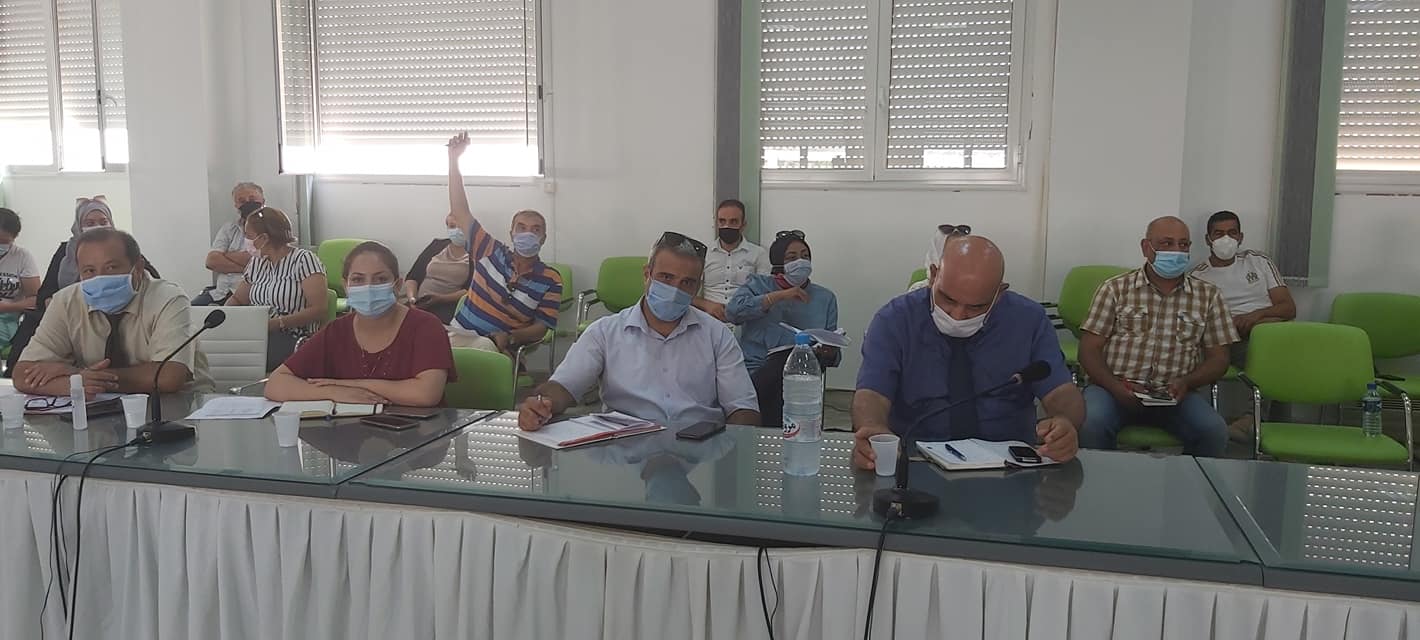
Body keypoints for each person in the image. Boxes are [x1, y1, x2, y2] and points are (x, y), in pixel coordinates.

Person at [852, 235, 1083, 472]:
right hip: (914, 459)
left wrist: (1065, 423)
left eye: (976, 307)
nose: (958, 315)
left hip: (1009, 465)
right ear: (933, 275)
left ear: (999, 293)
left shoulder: (1029, 321)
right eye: (948, 299)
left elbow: (1061, 392)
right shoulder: (894, 320)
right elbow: (872, 394)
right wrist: (874, 429)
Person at [518, 232, 761, 430]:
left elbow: (744, 409)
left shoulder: (717, 335)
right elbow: (564, 387)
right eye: (666, 277)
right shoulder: (604, 333)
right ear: (647, 275)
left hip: (700, 452)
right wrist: (542, 404)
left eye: (687, 282)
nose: (675, 290)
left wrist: (731, 454)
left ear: (698, 287)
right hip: (624, 452)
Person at [1077, 216, 1237, 457]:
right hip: (1113, 389)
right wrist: (1116, 387)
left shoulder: (1209, 296)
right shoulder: (1115, 289)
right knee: (1091, 423)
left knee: (1213, 430)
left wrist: (1187, 382)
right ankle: (1103, 480)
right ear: (1146, 247)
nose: (1177, 251)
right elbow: (1088, 350)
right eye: (1167, 243)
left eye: (1183, 245)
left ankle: (1189, 481)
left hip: (1175, 395)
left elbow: (1219, 359)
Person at [13, 227, 211, 397]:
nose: (100, 278)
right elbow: (22, 375)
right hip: (101, 410)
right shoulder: (65, 301)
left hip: (181, 408)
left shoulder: (168, 298)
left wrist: (78, 376)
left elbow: (168, 377)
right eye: (89, 271)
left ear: (138, 267)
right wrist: (76, 382)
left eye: (111, 267)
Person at [265, 242, 455, 407]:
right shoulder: (336, 332)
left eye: (380, 279)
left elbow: (426, 394)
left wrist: (351, 385)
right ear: (345, 285)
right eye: (357, 279)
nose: (368, 287)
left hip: (420, 433)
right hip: (351, 433)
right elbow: (276, 384)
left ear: (397, 285)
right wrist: (332, 392)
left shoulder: (426, 326)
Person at [7, 196, 161, 375]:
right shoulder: (65, 251)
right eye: (90, 223)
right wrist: (54, 302)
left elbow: (151, 279)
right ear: (78, 225)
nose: (97, 226)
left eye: (103, 221)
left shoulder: (122, 248)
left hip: (121, 310)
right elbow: (45, 290)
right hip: (69, 312)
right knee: (29, 336)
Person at [445, 132, 562, 355]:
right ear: (512, 234)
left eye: (535, 230)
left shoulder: (551, 279)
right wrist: (453, 159)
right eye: (521, 228)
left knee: (484, 347)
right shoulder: (489, 250)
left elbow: (541, 327)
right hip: (457, 335)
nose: (528, 234)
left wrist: (510, 337)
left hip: (496, 347)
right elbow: (460, 212)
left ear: (544, 239)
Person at [726, 230, 840, 426]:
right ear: (778, 262)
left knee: (793, 371)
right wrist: (778, 296)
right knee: (778, 368)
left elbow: (833, 350)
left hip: (804, 377)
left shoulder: (825, 298)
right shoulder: (758, 284)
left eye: (805, 256)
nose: (801, 262)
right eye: (792, 257)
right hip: (757, 373)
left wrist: (829, 351)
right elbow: (733, 313)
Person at [225, 207, 328, 372]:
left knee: (241, 358)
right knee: (224, 352)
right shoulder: (257, 263)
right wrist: (223, 317)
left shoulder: (304, 260)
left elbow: (319, 310)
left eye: (248, 236)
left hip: (294, 336)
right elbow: (238, 299)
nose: (246, 241)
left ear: (264, 238)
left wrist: (277, 323)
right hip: (260, 334)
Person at [1189, 210, 1296, 365]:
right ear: (1208, 239)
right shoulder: (1197, 277)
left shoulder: (1259, 261)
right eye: (1219, 234)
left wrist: (1255, 316)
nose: (1226, 239)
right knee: (1278, 358)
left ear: (1240, 237)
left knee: (1310, 348)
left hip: (1274, 329)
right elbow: (1202, 328)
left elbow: (1288, 308)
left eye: (1232, 233)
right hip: (1236, 339)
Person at [693, 199, 771, 320]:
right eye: (722, 221)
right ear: (716, 223)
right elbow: (686, 294)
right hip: (709, 320)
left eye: (733, 221)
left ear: (743, 225)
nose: (727, 226)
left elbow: (765, 294)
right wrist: (707, 305)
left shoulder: (759, 254)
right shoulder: (704, 253)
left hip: (747, 319)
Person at [194, 182, 266, 306]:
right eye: (242, 201)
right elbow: (211, 261)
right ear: (236, 205)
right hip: (221, 292)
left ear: (263, 201)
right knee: (190, 311)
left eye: (252, 199)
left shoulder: (272, 228)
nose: (247, 203)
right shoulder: (229, 228)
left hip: (252, 295)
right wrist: (250, 268)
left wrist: (226, 255)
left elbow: (263, 262)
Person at [401, 212, 473, 324]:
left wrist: (440, 298)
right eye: (452, 226)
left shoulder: (476, 253)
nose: (457, 230)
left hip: (447, 306)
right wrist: (412, 299)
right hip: (419, 302)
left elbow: (471, 290)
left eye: (460, 226)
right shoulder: (436, 245)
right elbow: (412, 277)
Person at [0, 209, 41, 348]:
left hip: (8, 321)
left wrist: (8, 307)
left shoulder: (22, 257)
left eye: (4, 242)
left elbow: (36, 299)